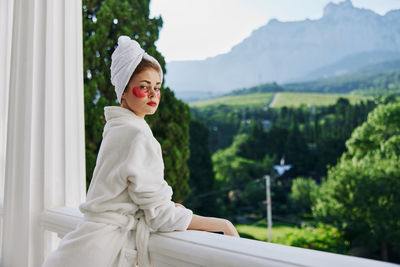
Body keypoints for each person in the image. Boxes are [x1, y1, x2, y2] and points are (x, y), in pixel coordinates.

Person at [42, 35, 239, 267]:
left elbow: (136, 197)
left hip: (86, 242)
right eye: (144, 87)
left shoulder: (117, 128)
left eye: (157, 87)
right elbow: (161, 215)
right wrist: (222, 225)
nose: (154, 95)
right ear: (123, 91)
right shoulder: (137, 135)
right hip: (103, 252)